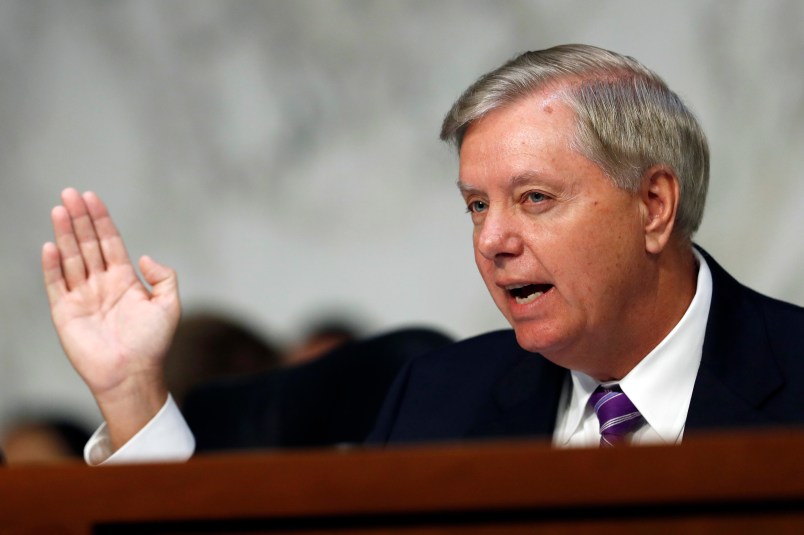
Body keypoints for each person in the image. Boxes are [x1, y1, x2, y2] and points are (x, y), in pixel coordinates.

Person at [41, 44, 804, 464]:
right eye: (477, 205)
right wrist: (135, 393)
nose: (492, 240)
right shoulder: (438, 399)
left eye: (533, 198)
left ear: (654, 204)